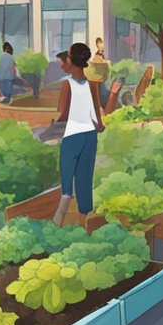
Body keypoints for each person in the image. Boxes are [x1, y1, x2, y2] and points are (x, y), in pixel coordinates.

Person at [51, 44, 105, 226]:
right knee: (85, 178)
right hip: (90, 135)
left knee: (67, 176)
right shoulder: (92, 85)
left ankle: (59, 218)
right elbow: (98, 116)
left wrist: (49, 130)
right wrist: (97, 126)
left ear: (70, 60)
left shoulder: (67, 84)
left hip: (72, 134)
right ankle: (87, 220)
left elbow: (62, 114)